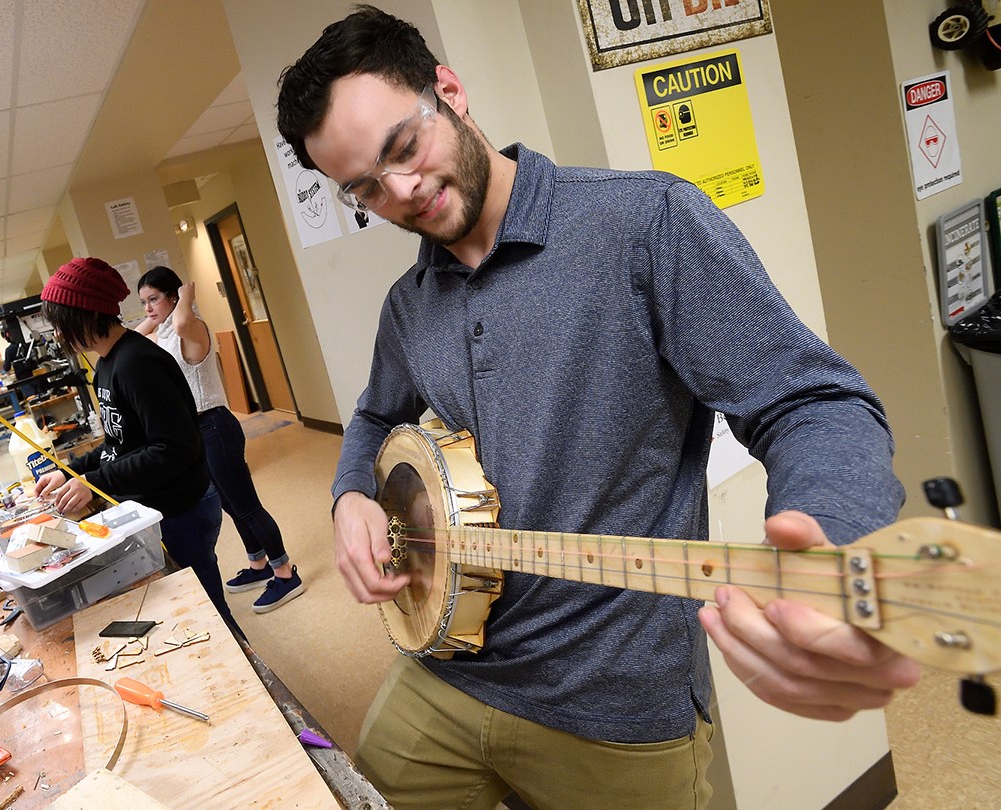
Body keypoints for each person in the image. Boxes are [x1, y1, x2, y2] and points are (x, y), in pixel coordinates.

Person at [276, 7, 920, 809]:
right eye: (365, 188)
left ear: (449, 90)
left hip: (613, 706)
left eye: (403, 149)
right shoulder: (407, 307)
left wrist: (832, 549)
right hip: (442, 667)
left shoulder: (644, 224)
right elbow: (374, 417)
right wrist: (347, 497)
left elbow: (811, 402)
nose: (400, 192)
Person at [28, 257, 241, 636]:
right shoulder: (108, 364)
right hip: (157, 506)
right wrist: (71, 471)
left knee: (207, 612)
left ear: (86, 315)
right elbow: (118, 441)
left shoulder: (137, 363)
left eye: (62, 324)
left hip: (183, 508)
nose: (60, 336)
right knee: (186, 606)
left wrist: (96, 481)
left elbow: (174, 449)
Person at [135, 266, 306, 613]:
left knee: (246, 504)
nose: (148, 308)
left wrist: (188, 295)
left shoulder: (192, 327)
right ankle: (258, 564)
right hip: (197, 433)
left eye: (154, 299)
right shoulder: (165, 334)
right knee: (229, 504)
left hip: (215, 426)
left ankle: (286, 574)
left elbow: (182, 322)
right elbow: (134, 341)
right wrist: (155, 315)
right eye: (143, 302)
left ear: (174, 296)